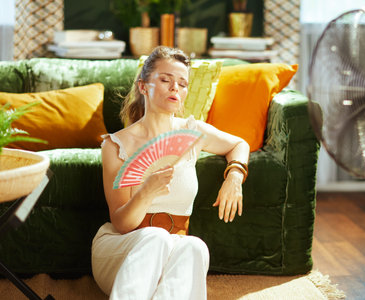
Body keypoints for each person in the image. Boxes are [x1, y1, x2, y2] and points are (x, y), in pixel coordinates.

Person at [91, 46, 250, 300]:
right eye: (165, 80)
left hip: (173, 249)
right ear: (143, 86)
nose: (176, 88)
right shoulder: (116, 146)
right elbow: (121, 224)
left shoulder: (192, 131)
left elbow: (239, 144)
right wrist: (145, 193)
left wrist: (234, 176)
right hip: (122, 250)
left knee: (195, 246)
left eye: (183, 83)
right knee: (156, 237)